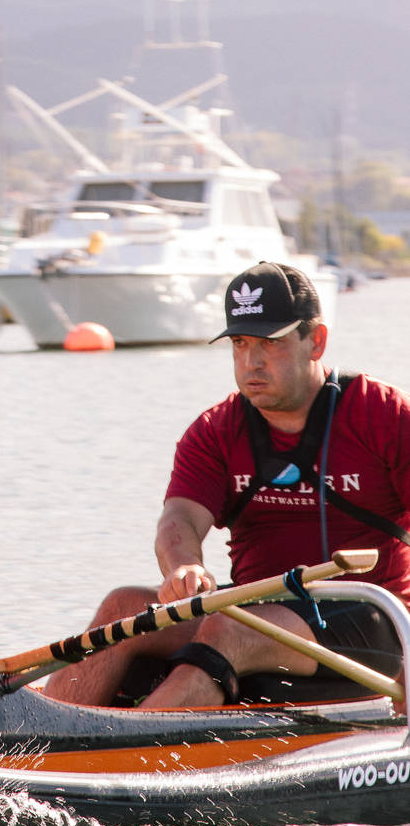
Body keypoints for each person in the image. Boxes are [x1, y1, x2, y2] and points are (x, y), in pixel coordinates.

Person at [43, 260, 410, 709]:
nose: (251, 362)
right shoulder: (216, 431)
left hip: (369, 622)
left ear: (316, 341)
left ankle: (124, 748)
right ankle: (39, 740)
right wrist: (183, 567)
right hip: (257, 614)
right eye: (240, 343)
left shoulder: (385, 415)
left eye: (270, 343)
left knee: (229, 628)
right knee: (123, 607)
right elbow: (180, 518)